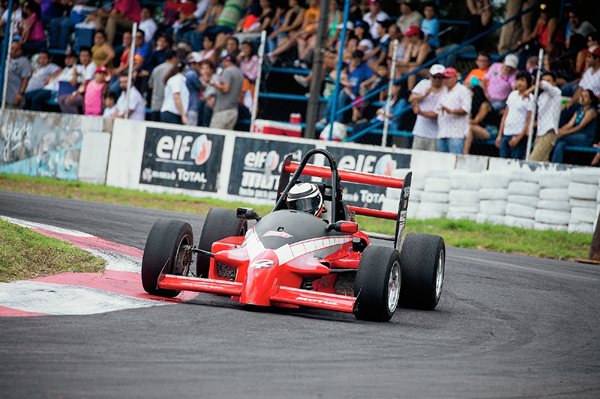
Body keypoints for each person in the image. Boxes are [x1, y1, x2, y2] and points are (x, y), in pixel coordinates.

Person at [552, 89, 598, 163]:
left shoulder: (591, 111)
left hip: (585, 138)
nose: (582, 98)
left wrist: (563, 133)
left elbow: (579, 127)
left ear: (590, 100)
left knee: (562, 138)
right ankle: (555, 165)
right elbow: (569, 125)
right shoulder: (578, 111)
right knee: (561, 143)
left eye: (585, 96)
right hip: (575, 136)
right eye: (581, 96)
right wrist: (558, 131)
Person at [496, 71, 533, 159]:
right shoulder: (512, 95)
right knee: (503, 161)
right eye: (518, 80)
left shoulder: (530, 98)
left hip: (518, 134)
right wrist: (499, 135)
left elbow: (529, 121)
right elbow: (505, 115)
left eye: (522, 80)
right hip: (506, 132)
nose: (519, 82)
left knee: (515, 161)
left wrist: (518, 138)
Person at [409, 64, 445, 152]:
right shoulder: (423, 84)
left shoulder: (447, 90)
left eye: (440, 77)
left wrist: (419, 112)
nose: (437, 79)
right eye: (434, 76)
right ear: (430, 76)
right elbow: (411, 98)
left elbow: (436, 115)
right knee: (416, 159)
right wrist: (423, 95)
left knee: (432, 161)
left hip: (437, 134)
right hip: (420, 131)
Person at [436, 67, 472, 154]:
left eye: (448, 78)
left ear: (455, 78)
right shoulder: (443, 91)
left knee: (454, 160)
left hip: (457, 134)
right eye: (444, 78)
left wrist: (451, 111)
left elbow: (466, 109)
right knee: (441, 161)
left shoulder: (463, 90)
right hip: (442, 132)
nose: (445, 80)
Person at [529, 72, 562, 162]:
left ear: (554, 82)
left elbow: (545, 85)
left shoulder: (556, 92)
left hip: (549, 131)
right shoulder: (541, 97)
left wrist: (530, 89)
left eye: (549, 80)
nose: (546, 82)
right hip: (540, 132)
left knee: (533, 159)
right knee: (543, 161)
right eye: (544, 80)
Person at [209, 54, 244, 129]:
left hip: (222, 110)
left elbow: (225, 89)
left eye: (223, 61)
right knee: (226, 139)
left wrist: (212, 83)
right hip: (233, 110)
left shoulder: (228, 71)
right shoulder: (240, 73)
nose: (222, 63)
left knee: (214, 136)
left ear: (228, 61)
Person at [58, 47, 97, 114]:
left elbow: (85, 83)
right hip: (83, 93)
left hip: (90, 95)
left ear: (91, 57)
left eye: (86, 56)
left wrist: (74, 94)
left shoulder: (92, 66)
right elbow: (74, 83)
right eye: (82, 56)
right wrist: (75, 74)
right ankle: (67, 120)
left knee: (69, 101)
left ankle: (75, 121)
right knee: (61, 99)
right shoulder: (83, 67)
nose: (84, 58)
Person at [464, 85, 498, 154]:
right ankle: (464, 152)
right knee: (466, 129)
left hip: (490, 130)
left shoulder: (485, 105)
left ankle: (465, 153)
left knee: (470, 128)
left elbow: (476, 121)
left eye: (471, 94)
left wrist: (464, 122)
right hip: (480, 128)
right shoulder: (473, 105)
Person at [148, 49, 178, 121]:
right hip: (168, 107)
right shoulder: (174, 70)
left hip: (155, 104)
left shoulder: (156, 69)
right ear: (174, 58)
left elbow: (150, 85)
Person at [160, 60, 190, 125]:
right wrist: (183, 115)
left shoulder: (181, 80)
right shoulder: (177, 79)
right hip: (171, 113)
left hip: (176, 114)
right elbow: (177, 97)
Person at [5, 40, 32, 108]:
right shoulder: (5, 59)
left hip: (13, 97)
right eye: (12, 48)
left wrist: (20, 94)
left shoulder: (24, 61)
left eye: (16, 49)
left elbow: (25, 78)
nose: (14, 51)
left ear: (20, 50)